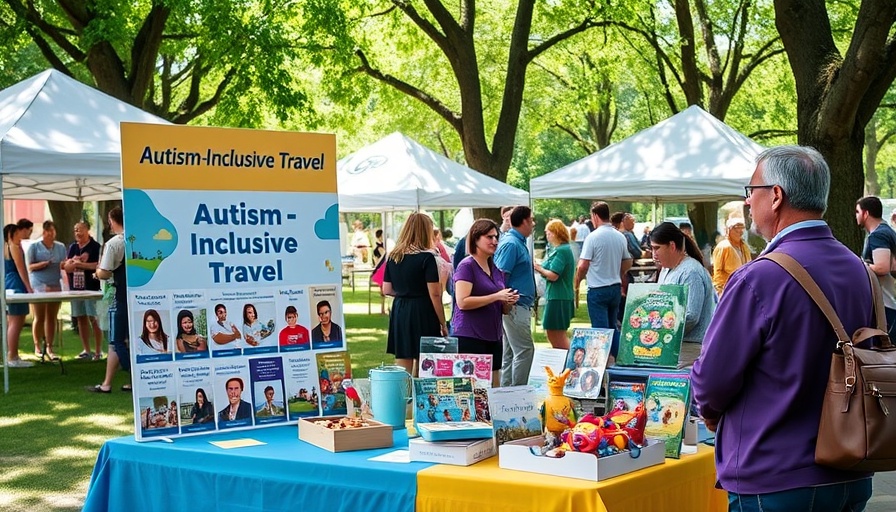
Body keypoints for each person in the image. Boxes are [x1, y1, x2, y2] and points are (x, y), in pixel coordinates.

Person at [692, 145, 874, 509]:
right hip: (853, 464)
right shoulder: (861, 270)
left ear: (775, 196)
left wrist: (709, 413)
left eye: (750, 192)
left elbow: (712, 381)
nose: (747, 203)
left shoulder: (758, 277)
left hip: (775, 474)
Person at [452, 219, 519, 386]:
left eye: (496, 237)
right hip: (470, 335)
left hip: (493, 335)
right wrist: (496, 296)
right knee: (472, 389)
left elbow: (503, 309)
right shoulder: (466, 266)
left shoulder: (496, 268)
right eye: (489, 237)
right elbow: (462, 302)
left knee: (494, 386)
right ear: (476, 238)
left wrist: (508, 300)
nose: (495, 241)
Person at [383, 213, 447, 373]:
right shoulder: (427, 258)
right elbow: (435, 294)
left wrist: (405, 291)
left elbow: (387, 289)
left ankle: (403, 396)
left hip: (400, 309)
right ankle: (419, 396)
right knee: (424, 359)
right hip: (422, 309)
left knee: (403, 356)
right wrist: (442, 322)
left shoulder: (394, 256)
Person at [649, 222, 716, 367]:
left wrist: (659, 329)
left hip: (689, 350)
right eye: (652, 248)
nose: (653, 254)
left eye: (657, 248)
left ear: (672, 246)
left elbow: (691, 316)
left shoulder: (691, 272)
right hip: (671, 345)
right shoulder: (667, 270)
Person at [574, 201, 632, 362]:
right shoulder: (619, 236)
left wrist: (578, 282)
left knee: (600, 331)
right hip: (614, 286)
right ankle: (620, 360)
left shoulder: (593, 237)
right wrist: (619, 271)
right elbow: (628, 261)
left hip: (598, 288)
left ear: (594, 216)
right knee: (613, 327)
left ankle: (602, 364)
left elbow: (583, 264)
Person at [88, 207, 130, 393]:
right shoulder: (137, 239)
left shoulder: (114, 243)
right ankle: (108, 383)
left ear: (112, 221)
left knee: (116, 341)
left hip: (118, 295)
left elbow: (105, 272)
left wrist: (97, 272)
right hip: (136, 294)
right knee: (128, 341)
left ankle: (136, 377)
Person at [495, 206, 537, 386]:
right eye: (532, 219)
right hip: (514, 305)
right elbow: (501, 275)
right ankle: (518, 395)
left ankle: (507, 396)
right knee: (524, 351)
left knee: (510, 353)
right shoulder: (512, 244)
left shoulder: (517, 242)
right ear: (525, 221)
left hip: (516, 305)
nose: (534, 224)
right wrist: (506, 302)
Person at [856, 196, 896, 337]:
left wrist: (858, 265)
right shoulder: (885, 231)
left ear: (865, 214)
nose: (856, 215)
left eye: (857, 211)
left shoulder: (878, 235)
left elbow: (882, 267)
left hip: (886, 305)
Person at [63, 221, 103, 360]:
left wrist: (79, 264)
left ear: (87, 230)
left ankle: (98, 351)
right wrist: (71, 263)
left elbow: (98, 266)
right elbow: (67, 266)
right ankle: (86, 350)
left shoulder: (95, 247)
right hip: (76, 289)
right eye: (75, 230)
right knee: (81, 318)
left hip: (91, 288)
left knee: (94, 319)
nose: (77, 233)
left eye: (80, 230)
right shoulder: (73, 247)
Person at [26, 220, 66, 360]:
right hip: (39, 285)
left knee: (51, 317)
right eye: (48, 232)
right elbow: (30, 267)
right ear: (43, 232)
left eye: (53, 231)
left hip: (55, 285)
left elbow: (64, 265)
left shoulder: (60, 247)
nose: (51, 234)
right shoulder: (34, 247)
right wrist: (44, 263)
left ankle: (49, 346)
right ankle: (37, 345)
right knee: (39, 316)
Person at [534, 219, 575, 350]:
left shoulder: (562, 251)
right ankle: (563, 360)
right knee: (552, 332)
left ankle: (569, 361)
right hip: (556, 295)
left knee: (557, 333)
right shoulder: (557, 249)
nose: (547, 235)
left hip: (559, 296)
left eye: (549, 233)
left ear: (557, 233)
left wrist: (538, 268)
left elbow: (553, 275)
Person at [4, 223, 33, 367]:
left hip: (8, 284)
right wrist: (28, 287)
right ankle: (12, 356)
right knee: (16, 322)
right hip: (16, 285)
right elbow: (22, 269)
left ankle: (12, 354)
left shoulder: (5, 247)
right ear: (13, 234)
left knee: (13, 321)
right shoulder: (13, 247)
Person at [711, 217, 752, 296]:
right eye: (736, 228)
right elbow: (718, 272)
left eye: (741, 228)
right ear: (728, 230)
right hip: (727, 289)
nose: (740, 232)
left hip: (743, 288)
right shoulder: (723, 247)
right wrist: (720, 292)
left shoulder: (744, 246)